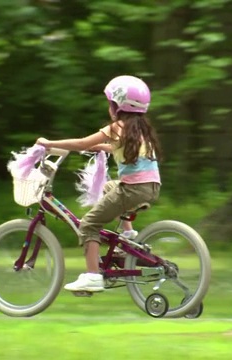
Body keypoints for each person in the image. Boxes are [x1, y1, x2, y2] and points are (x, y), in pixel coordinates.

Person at [36, 75, 162, 292]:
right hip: (151, 188)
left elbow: (82, 142)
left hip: (131, 190)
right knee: (108, 187)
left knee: (89, 224)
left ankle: (93, 276)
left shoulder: (116, 127)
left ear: (116, 105)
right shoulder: (141, 129)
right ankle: (128, 235)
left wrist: (49, 144)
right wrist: (102, 148)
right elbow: (122, 148)